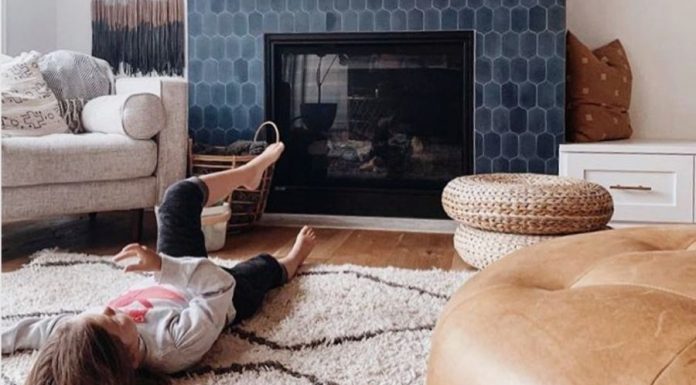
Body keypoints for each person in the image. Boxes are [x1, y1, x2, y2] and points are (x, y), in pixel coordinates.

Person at [2, 142, 318, 385]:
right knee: (262, 270)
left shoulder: (80, 336)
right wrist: (164, 267)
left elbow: (35, 330)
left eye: (99, 314)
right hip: (219, 296)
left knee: (176, 198)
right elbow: (221, 286)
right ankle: (291, 261)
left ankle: (248, 173)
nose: (109, 310)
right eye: (113, 322)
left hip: (169, 276)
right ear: (129, 359)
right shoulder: (173, 347)